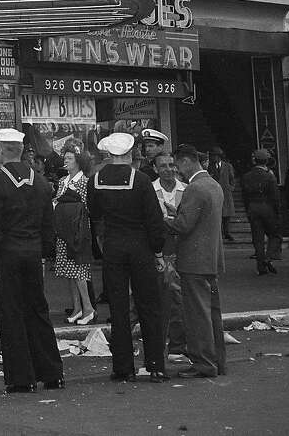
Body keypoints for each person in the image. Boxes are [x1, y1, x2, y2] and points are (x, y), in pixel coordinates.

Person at [0, 128, 65, 395]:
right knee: (38, 311)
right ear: (20, 150)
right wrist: (45, 251)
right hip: (33, 253)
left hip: (9, 254)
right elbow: (48, 226)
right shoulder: (41, 183)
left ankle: (22, 377)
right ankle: (52, 373)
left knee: (12, 314)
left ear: (0, 151)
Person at [86, 131, 167, 383]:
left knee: (118, 309)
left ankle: (123, 367)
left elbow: (94, 213)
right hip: (140, 245)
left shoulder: (96, 179)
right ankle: (155, 365)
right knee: (148, 306)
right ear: (130, 154)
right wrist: (158, 250)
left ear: (109, 155)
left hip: (113, 245)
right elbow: (154, 220)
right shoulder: (141, 179)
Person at [166, 144, 227, 380]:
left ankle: (203, 364)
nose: (176, 170)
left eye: (177, 164)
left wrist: (164, 218)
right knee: (212, 314)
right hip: (211, 258)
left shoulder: (194, 188)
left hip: (194, 261)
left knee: (197, 315)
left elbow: (184, 226)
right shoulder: (213, 185)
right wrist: (178, 213)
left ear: (187, 161)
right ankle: (217, 361)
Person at [53, 146, 95, 326]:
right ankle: (77, 308)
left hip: (78, 232)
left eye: (69, 158)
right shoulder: (62, 181)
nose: (66, 161)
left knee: (79, 271)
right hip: (64, 231)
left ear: (78, 161)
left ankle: (88, 308)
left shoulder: (85, 182)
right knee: (68, 272)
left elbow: (86, 206)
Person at [152, 152, 187, 360]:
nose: (168, 169)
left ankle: (176, 345)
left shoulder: (186, 190)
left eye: (171, 165)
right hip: (158, 252)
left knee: (177, 301)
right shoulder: (149, 189)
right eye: (163, 166)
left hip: (179, 252)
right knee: (148, 300)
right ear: (155, 169)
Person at [241, 149, 282, 275]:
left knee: (258, 238)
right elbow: (275, 196)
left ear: (255, 161)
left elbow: (244, 196)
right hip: (268, 207)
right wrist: (277, 211)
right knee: (275, 235)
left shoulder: (246, 176)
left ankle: (261, 267)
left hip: (253, 208)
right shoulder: (270, 176)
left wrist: (248, 209)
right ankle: (268, 257)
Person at [207, 147, 236, 241]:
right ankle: (218, 233)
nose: (213, 158)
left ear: (219, 157)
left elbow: (232, 179)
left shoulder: (227, 166)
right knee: (217, 214)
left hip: (226, 193)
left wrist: (231, 188)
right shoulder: (210, 167)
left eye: (215, 156)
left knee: (227, 215)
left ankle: (227, 232)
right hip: (214, 193)